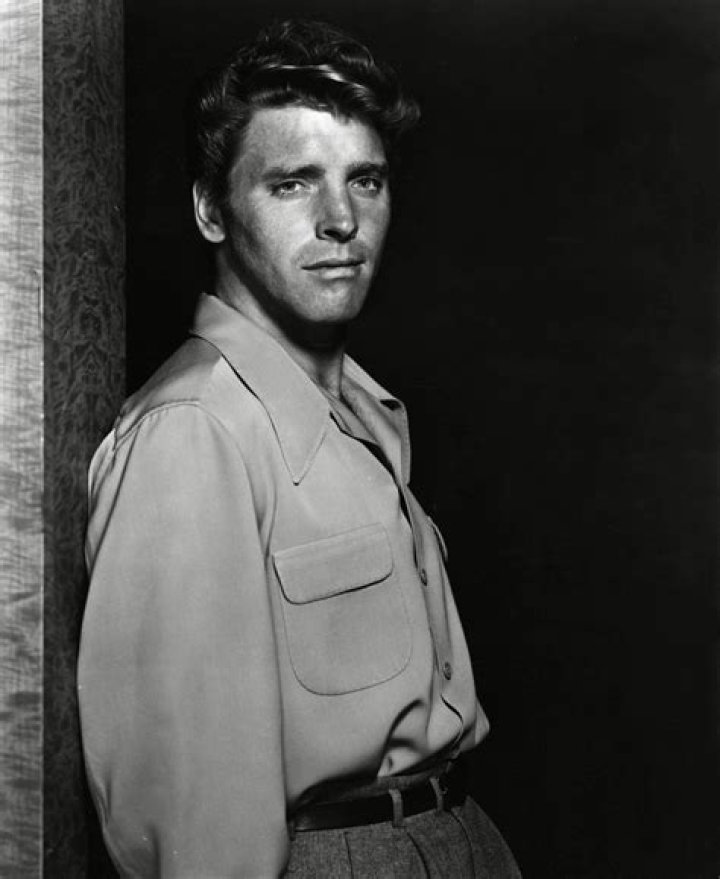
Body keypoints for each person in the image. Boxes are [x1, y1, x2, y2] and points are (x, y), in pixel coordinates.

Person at [77, 19, 522, 879]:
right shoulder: (193, 433)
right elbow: (196, 830)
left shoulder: (362, 411)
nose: (342, 220)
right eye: (292, 183)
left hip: (454, 840)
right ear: (212, 209)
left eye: (366, 180)